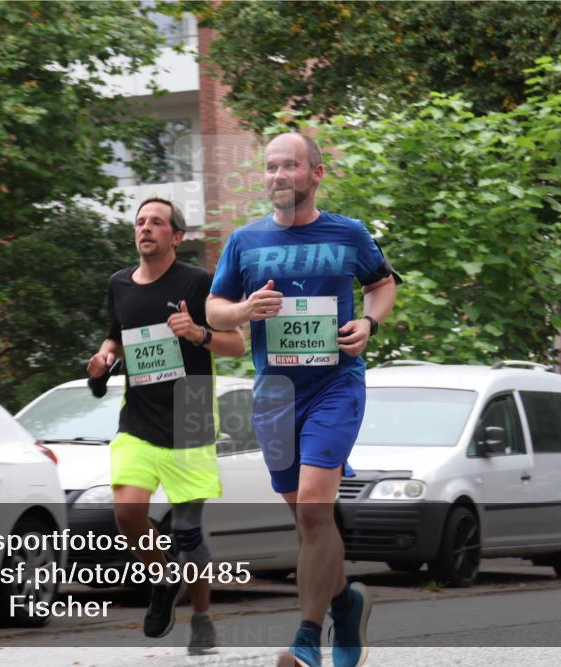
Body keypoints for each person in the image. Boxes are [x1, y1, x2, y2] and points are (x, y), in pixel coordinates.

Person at [206, 133, 399, 667]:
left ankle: (307, 638)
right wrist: (244, 310)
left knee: (315, 505)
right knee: (309, 522)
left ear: (315, 173)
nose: (277, 176)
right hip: (275, 394)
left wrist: (369, 321)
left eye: (289, 166)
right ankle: (345, 601)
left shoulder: (348, 233)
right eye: (270, 167)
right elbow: (213, 308)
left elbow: (382, 284)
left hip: (335, 385)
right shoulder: (244, 242)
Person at [87, 196, 245, 653]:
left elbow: (236, 344)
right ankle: (162, 580)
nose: (146, 228)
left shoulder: (199, 283)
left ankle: (201, 616)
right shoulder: (119, 284)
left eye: (157, 222)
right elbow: (115, 336)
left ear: (176, 236)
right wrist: (105, 358)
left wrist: (197, 334)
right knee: (127, 512)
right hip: (138, 415)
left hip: (190, 410)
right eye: (140, 222)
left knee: (187, 531)